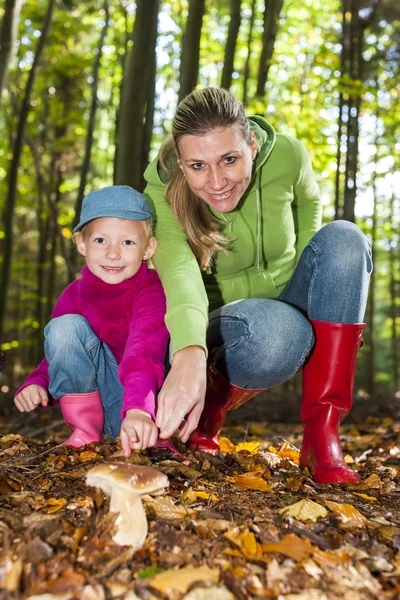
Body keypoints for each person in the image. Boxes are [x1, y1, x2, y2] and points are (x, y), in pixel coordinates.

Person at [143, 87, 372, 485]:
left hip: (290, 295)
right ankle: (210, 408)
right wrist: (190, 354)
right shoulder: (160, 194)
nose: (215, 181)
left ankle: (322, 439)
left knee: (347, 239)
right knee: (280, 333)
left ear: (251, 143)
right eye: (197, 165)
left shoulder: (288, 155)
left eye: (229, 159)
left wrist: (330, 304)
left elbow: (310, 205)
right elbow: (179, 274)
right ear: (180, 163)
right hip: (225, 319)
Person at [14, 185, 170, 457]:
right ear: (81, 244)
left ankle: (160, 440)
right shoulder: (74, 294)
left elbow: (144, 352)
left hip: (145, 407)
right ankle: (85, 432)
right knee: (64, 328)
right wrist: (37, 382)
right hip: (103, 403)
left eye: (128, 242)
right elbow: (61, 352)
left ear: (148, 248)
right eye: (100, 241)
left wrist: (139, 410)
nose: (112, 253)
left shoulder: (151, 290)